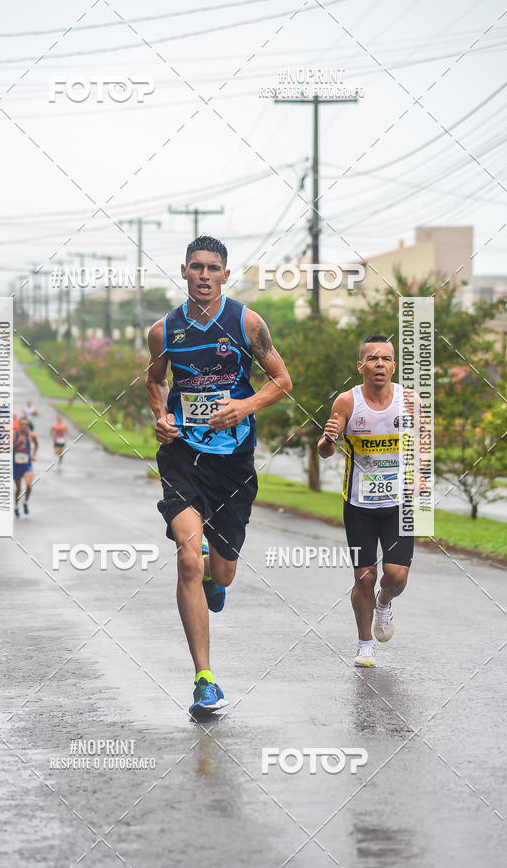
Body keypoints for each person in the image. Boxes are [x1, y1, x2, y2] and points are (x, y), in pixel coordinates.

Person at [146, 235, 292, 717]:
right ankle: (204, 680)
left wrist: (244, 406)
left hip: (233, 461)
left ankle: (217, 575)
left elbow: (282, 382)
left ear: (226, 275)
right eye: (196, 267)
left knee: (220, 571)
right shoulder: (163, 330)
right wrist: (160, 416)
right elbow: (155, 379)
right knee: (189, 558)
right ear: (183, 272)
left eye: (213, 268)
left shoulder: (246, 323)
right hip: (183, 455)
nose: (204, 275)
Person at [318, 335, 427, 668]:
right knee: (364, 577)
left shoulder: (409, 401)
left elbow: (421, 444)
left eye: (387, 359)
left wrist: (421, 473)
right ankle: (365, 645)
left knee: (395, 576)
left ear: (394, 365)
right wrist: (328, 438)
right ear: (360, 365)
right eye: (373, 358)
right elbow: (324, 451)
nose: (380, 364)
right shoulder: (347, 402)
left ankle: (384, 603)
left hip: (399, 504)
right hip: (359, 505)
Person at [13, 416, 38, 518]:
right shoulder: (14, 435)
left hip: (27, 465)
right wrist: (16, 444)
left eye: (26, 425)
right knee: (18, 488)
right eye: (22, 424)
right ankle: (16, 506)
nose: (24, 427)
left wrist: (33, 455)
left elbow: (36, 445)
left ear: (28, 426)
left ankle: (25, 502)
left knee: (28, 485)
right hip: (16, 465)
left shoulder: (31, 435)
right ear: (19, 425)